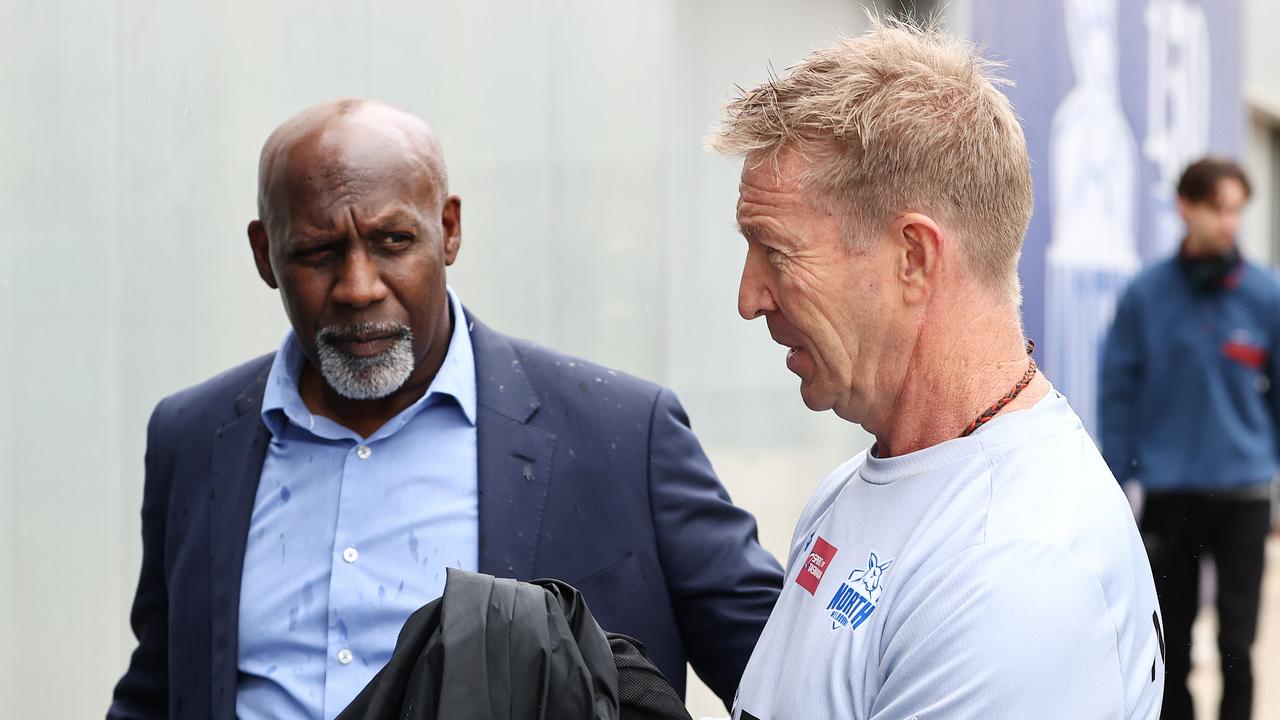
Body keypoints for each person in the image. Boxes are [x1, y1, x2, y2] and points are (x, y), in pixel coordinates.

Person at [108, 98, 783, 720]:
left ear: (449, 230)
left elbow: (786, 675)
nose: (358, 286)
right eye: (316, 252)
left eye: (392, 242)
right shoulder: (192, 440)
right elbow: (160, 691)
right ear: (264, 254)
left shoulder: (625, 436)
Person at [709, 18, 1163, 719]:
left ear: (914, 258)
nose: (749, 298)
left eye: (776, 250)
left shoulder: (1016, 565)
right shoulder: (855, 490)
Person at [1101, 157, 1279, 720]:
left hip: (1244, 496)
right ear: (1186, 208)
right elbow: (1118, 393)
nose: (1229, 223)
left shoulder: (1265, 296)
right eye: (1218, 208)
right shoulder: (1145, 297)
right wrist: (1114, 482)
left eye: (1236, 211)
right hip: (1170, 496)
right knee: (1167, 643)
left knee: (1237, 645)